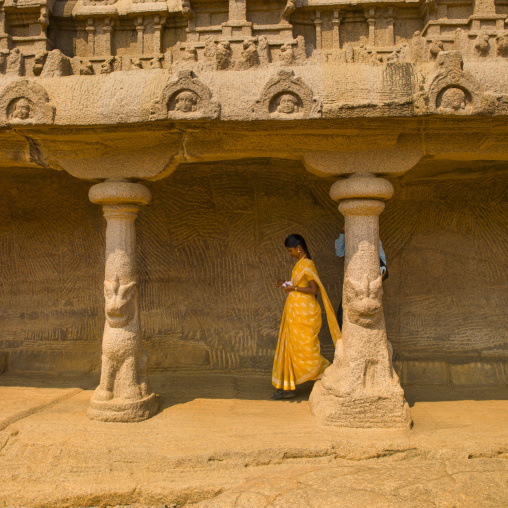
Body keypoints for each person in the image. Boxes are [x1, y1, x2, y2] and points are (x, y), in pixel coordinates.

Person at [272, 234, 342, 400]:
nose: (289, 254)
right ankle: (287, 386)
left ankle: (329, 372)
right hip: (295, 313)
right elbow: (299, 285)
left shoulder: (308, 264)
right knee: (291, 349)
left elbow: (313, 290)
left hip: (305, 314)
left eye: (290, 250)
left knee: (305, 349)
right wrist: (286, 284)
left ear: (298, 247)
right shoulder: (299, 264)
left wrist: (293, 289)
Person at [335, 225, 388, 329]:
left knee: (373, 312)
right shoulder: (350, 239)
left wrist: (382, 271)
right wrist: (342, 233)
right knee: (342, 314)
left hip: (371, 278)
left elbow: (381, 257)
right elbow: (339, 252)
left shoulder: (373, 238)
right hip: (355, 279)